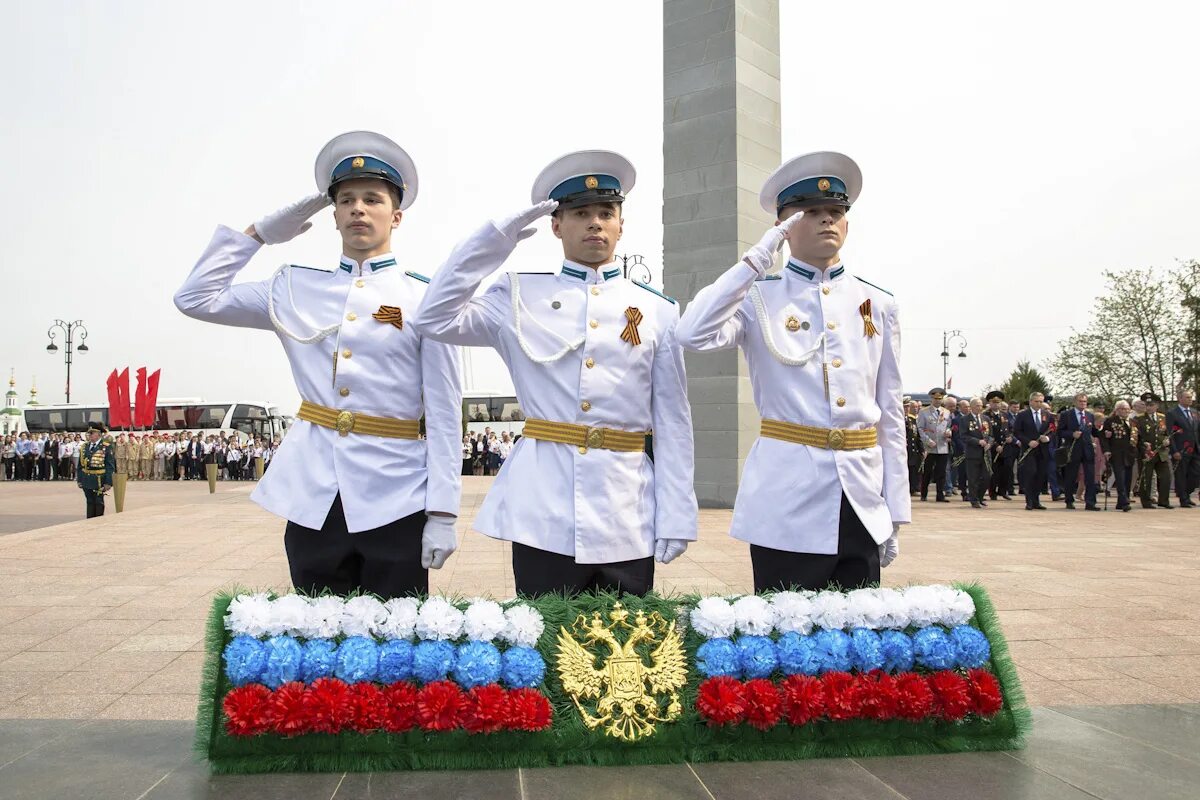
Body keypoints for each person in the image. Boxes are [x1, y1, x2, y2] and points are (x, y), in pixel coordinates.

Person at [174, 130, 463, 598]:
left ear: (397, 215)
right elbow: (194, 298)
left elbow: (448, 413)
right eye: (346, 200)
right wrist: (261, 234)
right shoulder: (293, 288)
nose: (358, 209)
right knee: (316, 637)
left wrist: (444, 513)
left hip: (396, 494)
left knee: (396, 646)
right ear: (333, 216)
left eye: (373, 199)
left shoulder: (425, 297)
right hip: (314, 494)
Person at [413, 149, 697, 597]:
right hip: (542, 508)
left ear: (622, 224)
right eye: (580, 213)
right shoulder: (518, 294)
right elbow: (433, 318)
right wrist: (496, 239)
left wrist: (678, 513)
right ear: (556, 225)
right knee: (542, 645)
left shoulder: (657, 310)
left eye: (606, 212)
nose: (595, 223)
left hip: (628, 508)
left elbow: (674, 422)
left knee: (625, 652)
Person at [674, 151, 906, 591]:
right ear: (783, 226)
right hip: (786, 499)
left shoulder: (877, 303)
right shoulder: (758, 297)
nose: (826, 221)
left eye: (836, 212)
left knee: (855, 643)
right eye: (811, 212)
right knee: (786, 634)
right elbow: (692, 333)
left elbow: (889, 412)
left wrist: (895, 507)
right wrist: (755, 260)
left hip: (859, 494)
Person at [1058, 392, 1099, 510]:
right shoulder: (1067, 415)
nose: (1083, 403)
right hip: (1073, 448)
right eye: (1080, 401)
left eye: (1085, 401)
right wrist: (1071, 434)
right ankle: (1069, 500)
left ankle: (1090, 502)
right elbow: (1060, 431)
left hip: (1087, 449)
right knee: (1071, 475)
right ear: (1075, 402)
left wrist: (1102, 432)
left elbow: (1093, 431)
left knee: (1090, 476)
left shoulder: (1089, 415)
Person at [1013, 391, 1053, 510]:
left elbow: (1052, 430)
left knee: (1040, 475)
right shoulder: (1023, 415)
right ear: (1031, 402)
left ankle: (1036, 500)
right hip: (1029, 450)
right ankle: (1029, 501)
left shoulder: (1047, 414)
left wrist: (1048, 438)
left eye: (1041, 401)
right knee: (1031, 473)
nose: (1039, 404)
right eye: (1036, 401)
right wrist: (1028, 441)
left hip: (1042, 449)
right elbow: (1017, 431)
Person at [1136, 392, 1173, 508]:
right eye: (1146, 405)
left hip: (1161, 452)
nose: (1149, 407)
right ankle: (1146, 501)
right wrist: (1143, 445)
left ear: (1157, 405)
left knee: (1166, 476)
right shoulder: (1139, 419)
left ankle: (1164, 501)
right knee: (1146, 477)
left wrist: (1167, 440)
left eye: (1151, 405)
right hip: (1147, 453)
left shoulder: (1162, 417)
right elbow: (1136, 436)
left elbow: (1166, 433)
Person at [917, 389, 952, 502]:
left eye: (940, 399)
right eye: (935, 399)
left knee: (941, 472)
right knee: (927, 471)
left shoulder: (946, 412)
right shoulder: (924, 411)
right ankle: (924, 493)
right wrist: (927, 441)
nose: (938, 401)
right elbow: (920, 429)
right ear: (931, 399)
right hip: (930, 446)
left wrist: (948, 432)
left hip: (942, 446)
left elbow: (948, 426)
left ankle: (940, 495)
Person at [1101, 401, 1135, 511]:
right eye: (1122, 409)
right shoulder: (1110, 421)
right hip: (1116, 453)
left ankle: (1121, 502)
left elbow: (1137, 437)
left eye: (1127, 409)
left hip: (1130, 453)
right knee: (1120, 478)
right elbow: (1104, 437)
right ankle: (1125, 502)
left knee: (1128, 478)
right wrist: (1106, 450)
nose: (1125, 411)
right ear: (1117, 410)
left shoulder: (1132, 421)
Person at [1168, 388, 1199, 507]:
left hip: (1195, 448)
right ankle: (1183, 498)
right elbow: (1170, 433)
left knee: (1195, 473)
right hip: (1181, 449)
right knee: (1181, 474)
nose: (1190, 399)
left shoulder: (1195, 412)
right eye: (1187, 397)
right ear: (1180, 399)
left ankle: (1186, 493)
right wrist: (1174, 450)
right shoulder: (1172, 413)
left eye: (1191, 397)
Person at [77, 423, 115, 519]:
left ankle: (98, 522)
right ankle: (89, 521)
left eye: (92, 433)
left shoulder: (106, 447)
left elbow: (110, 466)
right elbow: (80, 465)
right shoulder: (85, 447)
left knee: (98, 501)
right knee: (89, 501)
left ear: (99, 434)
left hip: (99, 479)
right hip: (86, 478)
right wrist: (80, 479)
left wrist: (108, 482)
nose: (89, 435)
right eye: (89, 433)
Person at [961, 397, 993, 508]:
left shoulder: (986, 419)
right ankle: (974, 499)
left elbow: (991, 435)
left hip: (985, 453)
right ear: (972, 406)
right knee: (973, 478)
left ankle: (980, 497)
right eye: (977, 405)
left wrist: (989, 443)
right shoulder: (965, 420)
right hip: (973, 453)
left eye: (981, 405)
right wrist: (977, 441)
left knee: (987, 476)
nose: (980, 407)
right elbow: (964, 436)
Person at [904, 400, 922, 495]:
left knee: (914, 469)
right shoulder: (900, 420)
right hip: (904, 449)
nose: (906, 409)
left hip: (913, 449)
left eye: (907, 407)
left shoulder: (912, 420)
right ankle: (909, 488)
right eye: (905, 407)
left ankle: (913, 488)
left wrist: (922, 449)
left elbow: (916, 436)